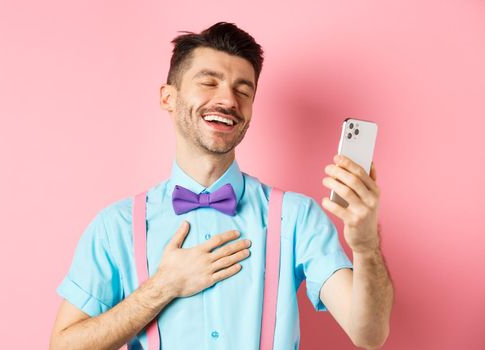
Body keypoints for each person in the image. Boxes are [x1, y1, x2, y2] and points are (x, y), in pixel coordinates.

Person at [49, 22, 393, 350]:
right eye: (209, 82)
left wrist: (365, 246)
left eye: (243, 89)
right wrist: (161, 287)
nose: (228, 100)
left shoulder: (296, 216)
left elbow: (369, 333)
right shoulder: (117, 225)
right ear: (169, 98)